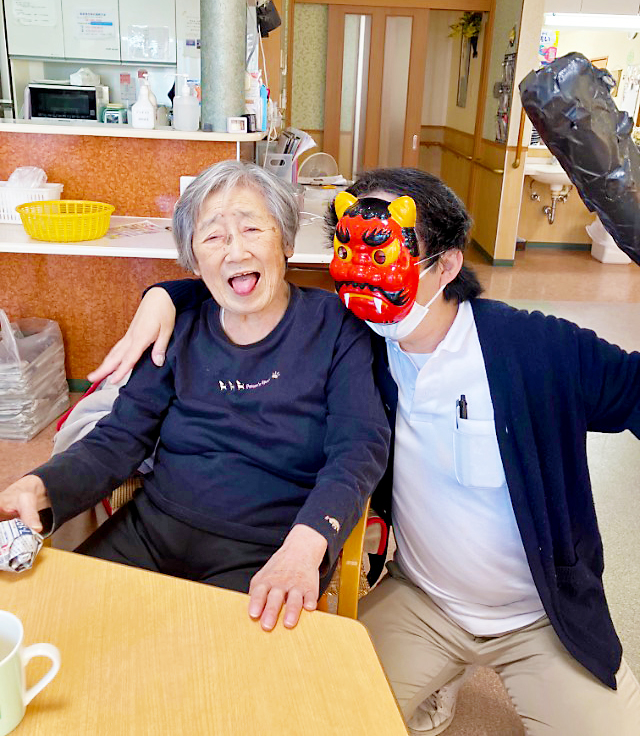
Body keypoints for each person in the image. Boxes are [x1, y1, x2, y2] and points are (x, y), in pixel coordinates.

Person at [83, 167, 640, 735]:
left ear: (447, 265)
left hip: (541, 617)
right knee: (301, 716)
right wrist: (165, 294)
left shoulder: (538, 349)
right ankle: (437, 679)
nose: (363, 271)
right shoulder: (363, 337)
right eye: (348, 250)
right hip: (422, 603)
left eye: (383, 250)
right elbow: (252, 289)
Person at [0, 160, 389, 633]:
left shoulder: (336, 326)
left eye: (252, 229)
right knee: (58, 625)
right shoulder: (178, 326)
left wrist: (306, 547)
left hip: (269, 546)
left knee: (212, 668)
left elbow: (358, 449)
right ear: (194, 261)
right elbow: (118, 439)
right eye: (213, 237)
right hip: (153, 531)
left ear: (286, 242)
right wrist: (39, 485)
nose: (236, 250)